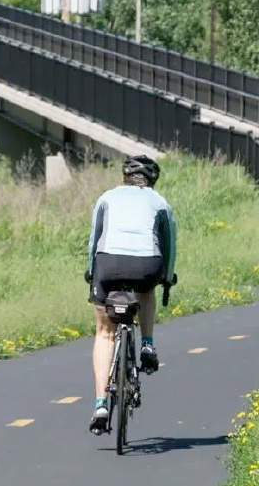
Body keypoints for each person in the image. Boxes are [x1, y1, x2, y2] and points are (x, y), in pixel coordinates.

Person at [83, 154, 177, 434]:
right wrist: (167, 277)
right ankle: (147, 343)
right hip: (146, 262)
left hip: (108, 262)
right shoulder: (160, 202)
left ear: (124, 177)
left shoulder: (106, 197)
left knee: (104, 332)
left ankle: (101, 403)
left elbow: (94, 238)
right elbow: (169, 244)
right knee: (146, 291)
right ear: (152, 180)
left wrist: (91, 272)